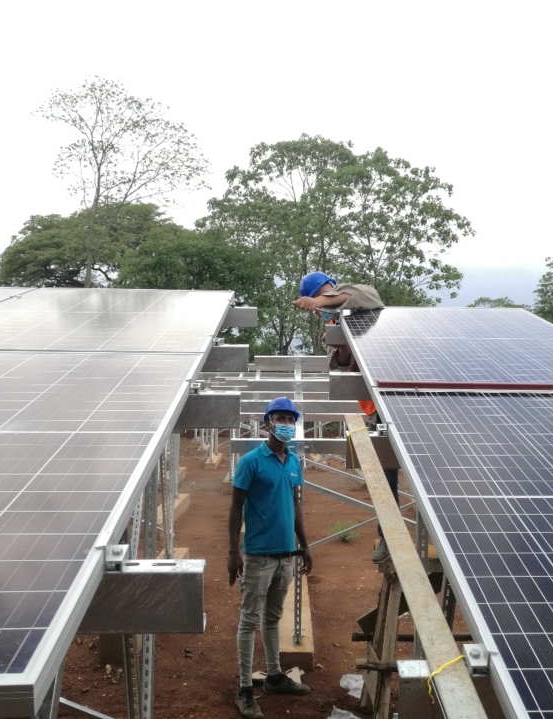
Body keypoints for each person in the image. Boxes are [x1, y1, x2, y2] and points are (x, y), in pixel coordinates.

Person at [293, 271, 399, 564]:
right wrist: (339, 345)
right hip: (374, 408)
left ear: (325, 290)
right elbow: (338, 368)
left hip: (396, 393)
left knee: (418, 467)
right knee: (383, 475)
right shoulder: (332, 325)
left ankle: (424, 532)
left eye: (321, 296)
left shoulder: (357, 297)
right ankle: (388, 537)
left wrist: (319, 301)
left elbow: (356, 296)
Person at [228, 396, 313, 719]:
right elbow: (235, 507)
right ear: (267, 423)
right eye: (280, 418)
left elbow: (295, 505)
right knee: (249, 620)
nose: (287, 424)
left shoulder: (293, 462)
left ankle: (274, 675)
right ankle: (244, 688)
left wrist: (305, 544)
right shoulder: (250, 461)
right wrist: (232, 552)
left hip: (286, 555)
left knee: (273, 617)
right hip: (258, 555)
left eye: (291, 420)